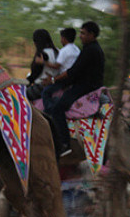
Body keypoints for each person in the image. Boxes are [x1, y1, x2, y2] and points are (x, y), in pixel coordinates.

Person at [45, 21, 105, 157]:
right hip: (86, 84)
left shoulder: (90, 50)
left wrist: (54, 80)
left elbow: (73, 71)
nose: (80, 36)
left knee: (57, 108)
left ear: (92, 34)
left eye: (83, 33)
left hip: (85, 87)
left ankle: (64, 143)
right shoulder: (90, 49)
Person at [41, 28, 81, 111]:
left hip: (65, 78)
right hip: (76, 77)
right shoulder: (77, 49)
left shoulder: (64, 50)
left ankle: (49, 110)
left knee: (46, 92)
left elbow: (56, 66)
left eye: (61, 38)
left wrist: (43, 62)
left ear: (63, 38)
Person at [25, 29, 59, 101]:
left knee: (19, 96)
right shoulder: (57, 51)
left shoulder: (42, 54)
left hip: (41, 86)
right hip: (54, 85)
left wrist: (25, 84)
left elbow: (35, 74)